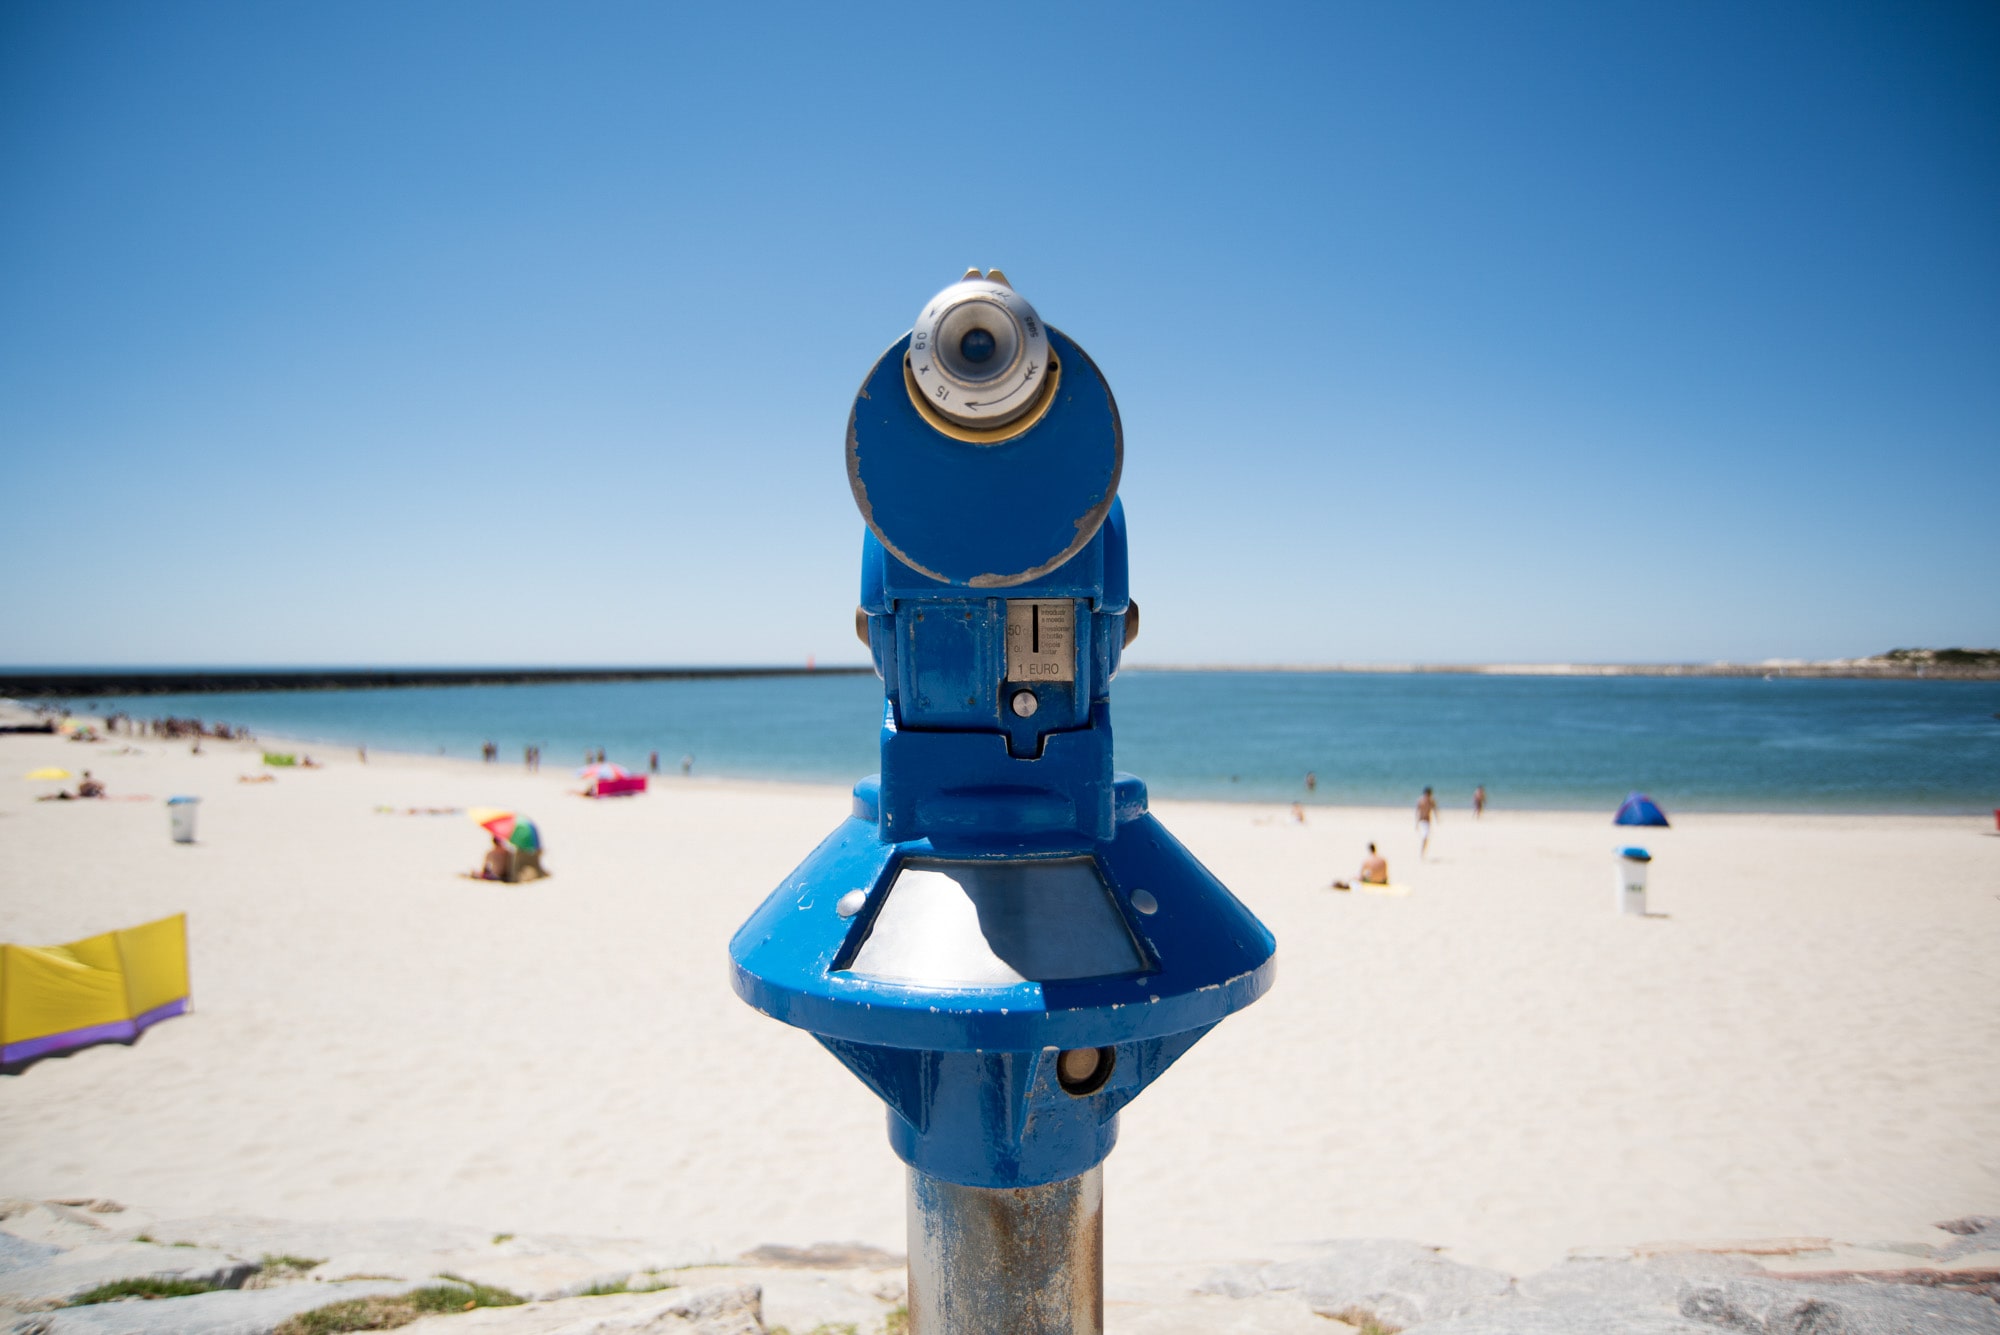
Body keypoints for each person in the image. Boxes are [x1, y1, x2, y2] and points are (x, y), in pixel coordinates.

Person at [1416, 786, 1438, 858]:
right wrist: (1416, 823)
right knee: (1425, 837)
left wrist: (1437, 818)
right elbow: (1417, 812)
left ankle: (1423, 852)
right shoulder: (1420, 801)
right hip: (1422, 821)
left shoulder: (1431, 801)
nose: (1428, 796)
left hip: (1428, 822)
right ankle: (1422, 853)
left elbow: (1435, 810)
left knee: (1426, 837)